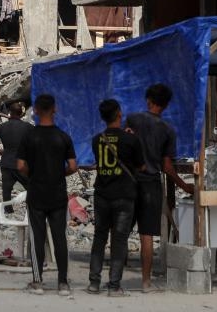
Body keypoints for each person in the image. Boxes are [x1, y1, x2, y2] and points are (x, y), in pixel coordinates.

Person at [126, 84, 196, 293]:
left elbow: (123, 147)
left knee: (120, 231)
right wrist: (184, 185)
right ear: (165, 105)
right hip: (151, 184)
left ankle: (114, 279)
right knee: (146, 235)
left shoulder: (133, 119)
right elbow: (167, 166)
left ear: (148, 100)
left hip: (129, 182)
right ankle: (146, 282)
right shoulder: (167, 129)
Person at [17, 94, 78, 296]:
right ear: (55, 109)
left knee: (37, 237)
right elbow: (72, 166)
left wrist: (33, 174)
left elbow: (20, 166)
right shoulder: (63, 137)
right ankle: (63, 283)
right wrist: (59, 173)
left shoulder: (29, 137)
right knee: (60, 237)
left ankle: (38, 281)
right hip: (58, 194)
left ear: (35, 110)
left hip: (36, 193)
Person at [88, 99, 145, 296]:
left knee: (99, 237)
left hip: (102, 194)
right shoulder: (131, 140)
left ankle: (94, 283)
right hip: (124, 196)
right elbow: (141, 166)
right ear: (119, 114)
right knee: (119, 240)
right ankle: (114, 286)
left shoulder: (97, 140)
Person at [0, 101, 32, 211]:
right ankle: (31, 209)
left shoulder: (2, 127)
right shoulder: (28, 127)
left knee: (6, 190)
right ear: (21, 114)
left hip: (6, 162)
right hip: (22, 164)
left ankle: (8, 210)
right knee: (30, 187)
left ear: (10, 113)